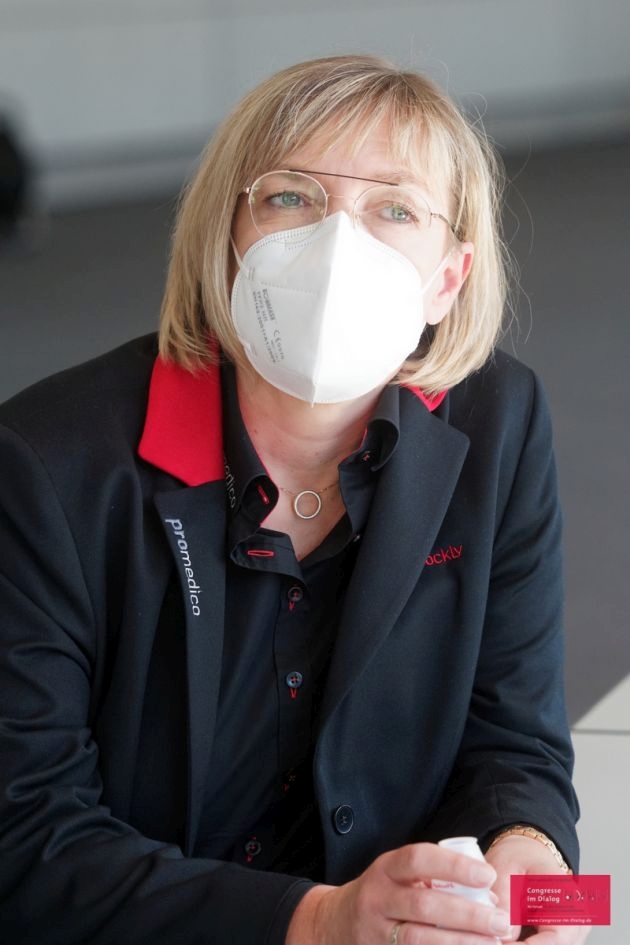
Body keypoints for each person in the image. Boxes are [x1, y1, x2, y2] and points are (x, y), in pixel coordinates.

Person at [0, 54, 587, 945]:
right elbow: (25, 842)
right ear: (227, 238)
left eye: (395, 210)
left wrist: (542, 877)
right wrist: (317, 921)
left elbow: (520, 742)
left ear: (449, 278)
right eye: (290, 198)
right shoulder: (48, 465)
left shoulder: (499, 422)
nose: (338, 244)